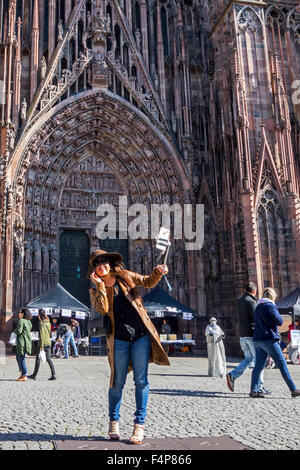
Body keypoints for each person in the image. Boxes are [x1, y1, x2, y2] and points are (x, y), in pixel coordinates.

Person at [89, 249, 170, 445]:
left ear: (110, 263)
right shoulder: (95, 289)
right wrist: (100, 286)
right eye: (97, 264)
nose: (102, 265)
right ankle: (113, 421)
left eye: (104, 261)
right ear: (95, 270)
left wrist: (159, 272)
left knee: (141, 381)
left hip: (140, 336)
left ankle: (139, 425)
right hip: (119, 339)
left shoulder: (126, 276)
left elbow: (148, 281)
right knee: (117, 381)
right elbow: (102, 309)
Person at [250, 287, 300, 398]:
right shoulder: (270, 306)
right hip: (269, 339)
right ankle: (293, 389)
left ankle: (253, 390)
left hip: (258, 339)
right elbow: (279, 321)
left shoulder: (258, 306)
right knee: (282, 364)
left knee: (258, 366)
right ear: (272, 296)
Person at [226, 283, 270, 395]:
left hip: (242, 335)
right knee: (259, 361)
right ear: (254, 291)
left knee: (249, 359)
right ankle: (259, 387)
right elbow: (257, 319)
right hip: (252, 335)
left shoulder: (240, 301)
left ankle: (232, 375)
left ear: (244, 290)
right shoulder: (252, 302)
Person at [28, 309, 56, 381]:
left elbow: (42, 334)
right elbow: (48, 332)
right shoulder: (48, 323)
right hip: (48, 342)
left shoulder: (41, 323)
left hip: (42, 343)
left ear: (39, 316)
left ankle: (34, 375)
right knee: (49, 359)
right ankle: (53, 374)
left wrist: (41, 346)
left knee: (37, 359)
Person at [15, 308, 32, 381]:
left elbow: (18, 331)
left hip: (22, 341)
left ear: (23, 314)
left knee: (21, 358)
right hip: (26, 341)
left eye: (20, 313)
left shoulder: (21, 321)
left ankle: (24, 374)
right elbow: (30, 328)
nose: (19, 314)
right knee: (19, 356)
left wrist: (15, 331)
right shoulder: (28, 321)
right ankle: (22, 373)